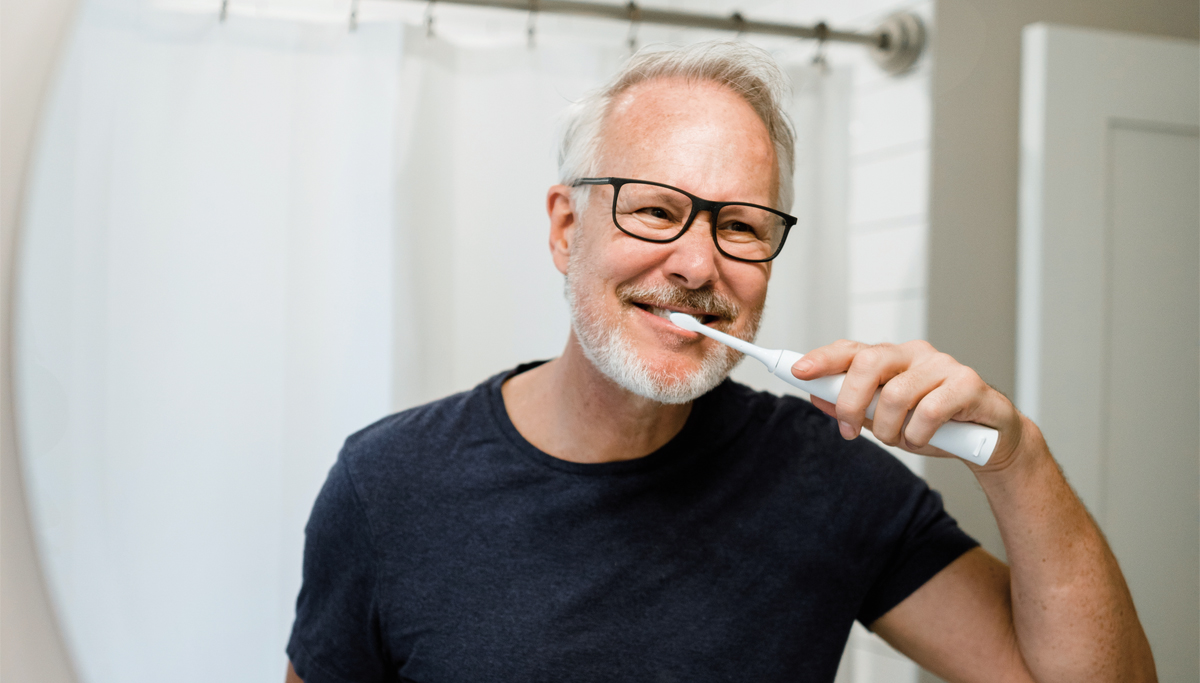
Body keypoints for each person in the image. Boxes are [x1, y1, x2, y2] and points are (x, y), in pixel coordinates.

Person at [285, 42, 1154, 683]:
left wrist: (1018, 459)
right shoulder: (387, 484)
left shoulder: (828, 475)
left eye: (739, 225)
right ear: (564, 228)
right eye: (656, 209)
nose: (699, 266)